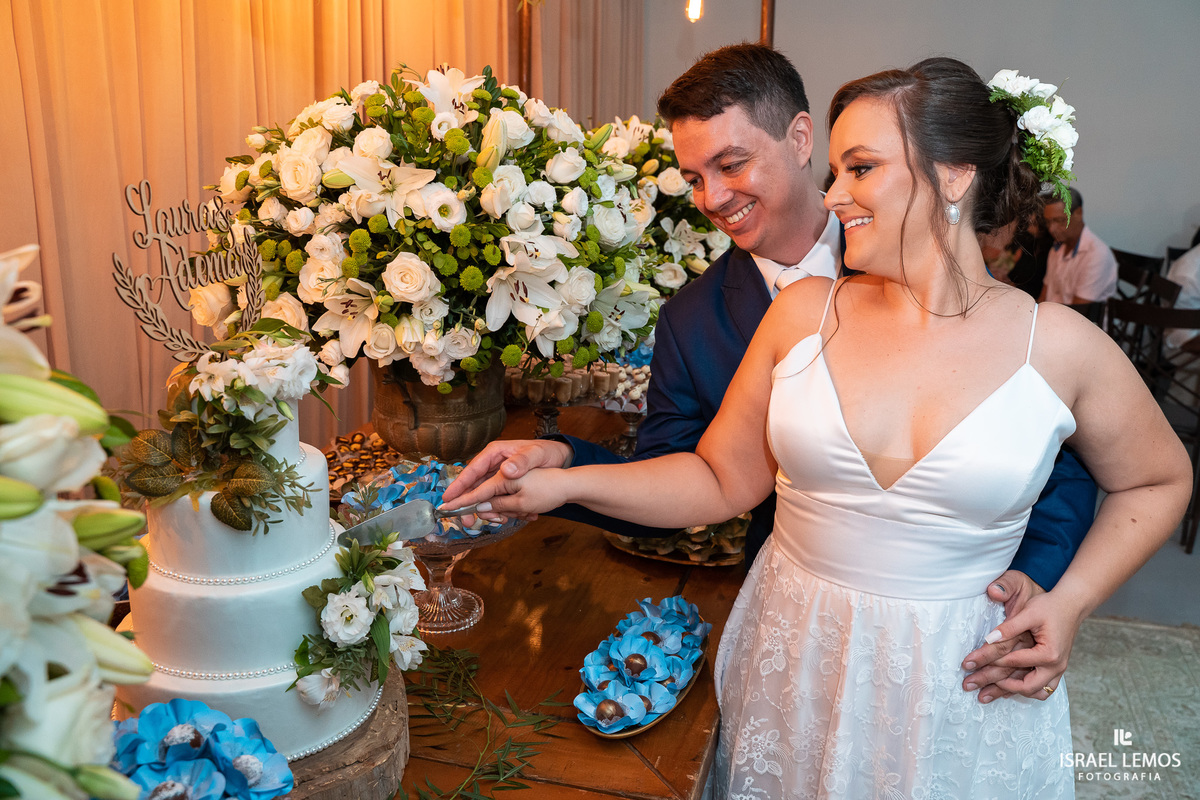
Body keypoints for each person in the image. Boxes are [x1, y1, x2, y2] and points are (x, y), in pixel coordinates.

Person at [445, 58, 1192, 796]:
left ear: (956, 175)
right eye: (835, 172)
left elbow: (1159, 478)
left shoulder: (1059, 345)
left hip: (963, 680)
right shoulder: (804, 315)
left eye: (861, 169)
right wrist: (554, 483)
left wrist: (1070, 602)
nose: (834, 197)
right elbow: (713, 478)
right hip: (797, 654)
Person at [1040, 187, 1118, 304]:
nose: (1051, 229)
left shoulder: (1096, 255)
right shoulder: (1056, 248)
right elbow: (1044, 296)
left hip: (1077, 319)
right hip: (1052, 314)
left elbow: (1080, 311)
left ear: (1078, 213)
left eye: (1060, 220)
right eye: (1048, 222)